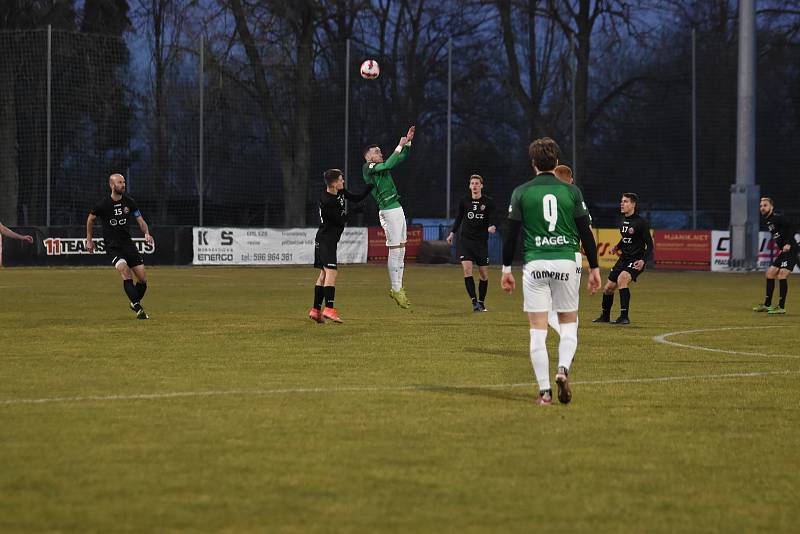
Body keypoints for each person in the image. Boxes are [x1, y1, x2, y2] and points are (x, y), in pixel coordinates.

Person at [501, 138, 601, 406]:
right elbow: (585, 233)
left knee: (537, 331)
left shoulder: (521, 192)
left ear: (533, 163)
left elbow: (510, 235)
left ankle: (544, 393)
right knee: (570, 324)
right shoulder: (572, 192)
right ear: (556, 162)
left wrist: (506, 269)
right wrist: (594, 267)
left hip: (535, 263)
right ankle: (563, 369)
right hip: (566, 262)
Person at [309, 169, 374, 324]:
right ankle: (329, 309)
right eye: (340, 179)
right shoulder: (327, 201)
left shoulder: (338, 192)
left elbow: (355, 197)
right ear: (333, 183)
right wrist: (355, 211)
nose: (343, 181)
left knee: (323, 275)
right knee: (331, 273)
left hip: (325, 239)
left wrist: (370, 186)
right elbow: (340, 220)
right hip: (326, 240)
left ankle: (315, 310)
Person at [86, 173, 154, 320]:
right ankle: (138, 308)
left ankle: (133, 302)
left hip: (128, 244)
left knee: (142, 280)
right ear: (112, 185)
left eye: (124, 182)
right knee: (125, 271)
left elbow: (141, 221)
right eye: (119, 182)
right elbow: (90, 219)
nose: (123, 185)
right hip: (113, 246)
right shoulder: (103, 204)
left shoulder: (129, 202)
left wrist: (147, 233)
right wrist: (89, 239)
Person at [362, 126, 415, 309]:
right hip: (387, 210)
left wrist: (407, 142)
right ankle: (394, 288)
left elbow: (401, 158)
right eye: (377, 152)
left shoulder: (380, 167)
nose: (380, 153)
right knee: (394, 250)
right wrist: (399, 146)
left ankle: (399, 288)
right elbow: (389, 164)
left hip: (397, 208)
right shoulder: (368, 167)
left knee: (401, 249)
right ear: (369, 157)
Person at [592, 193, 653, 325]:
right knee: (608, 288)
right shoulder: (623, 220)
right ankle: (605, 316)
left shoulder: (641, 222)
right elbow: (626, 238)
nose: (622, 204)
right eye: (621, 201)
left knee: (622, 279)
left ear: (633, 205)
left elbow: (650, 244)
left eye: (625, 201)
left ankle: (624, 317)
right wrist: (617, 246)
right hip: (623, 259)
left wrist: (643, 261)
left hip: (636, 260)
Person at [547, 164, 589, 334]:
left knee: (549, 306)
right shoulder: (576, 198)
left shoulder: (545, 197)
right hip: (574, 255)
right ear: (571, 179)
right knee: (571, 302)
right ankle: (571, 338)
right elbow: (587, 228)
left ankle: (567, 336)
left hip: (552, 253)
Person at [447, 174, 497, 312]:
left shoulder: (488, 202)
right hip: (466, 241)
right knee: (467, 270)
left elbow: (494, 217)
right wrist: (452, 233)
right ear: (470, 186)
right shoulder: (464, 201)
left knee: (483, 275)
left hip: (481, 242)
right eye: (472, 183)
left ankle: (481, 302)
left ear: (481, 186)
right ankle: (474, 302)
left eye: (477, 183)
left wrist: (492, 226)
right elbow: (458, 218)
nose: (474, 186)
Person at [752, 197, 798, 314]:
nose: (762, 208)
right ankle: (767, 305)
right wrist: (781, 247)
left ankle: (781, 307)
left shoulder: (777, 217)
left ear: (771, 207)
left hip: (790, 249)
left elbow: (792, 227)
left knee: (782, 275)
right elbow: (781, 234)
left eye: (765, 205)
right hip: (783, 251)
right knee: (770, 274)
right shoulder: (768, 220)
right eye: (761, 206)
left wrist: (788, 243)